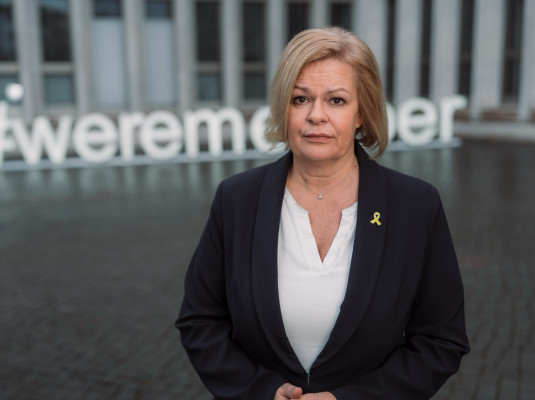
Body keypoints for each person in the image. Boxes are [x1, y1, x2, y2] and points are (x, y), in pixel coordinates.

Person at [175, 27, 469, 400]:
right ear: (284, 107)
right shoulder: (236, 200)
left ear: (362, 112)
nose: (316, 116)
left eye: (336, 100)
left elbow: (441, 340)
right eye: (300, 99)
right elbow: (200, 320)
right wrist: (260, 392)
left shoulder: (416, 206)